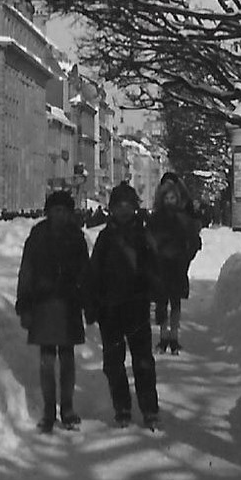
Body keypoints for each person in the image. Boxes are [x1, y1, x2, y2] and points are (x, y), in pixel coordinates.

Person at [86, 181, 161, 430]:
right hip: (110, 310)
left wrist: (159, 300)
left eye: (128, 205)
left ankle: (149, 408)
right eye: (119, 206)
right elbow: (94, 273)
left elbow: (155, 271)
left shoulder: (144, 236)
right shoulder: (105, 238)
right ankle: (122, 407)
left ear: (135, 208)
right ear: (112, 209)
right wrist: (92, 304)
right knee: (113, 363)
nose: (124, 210)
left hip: (137, 307)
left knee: (143, 361)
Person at [15, 190, 89, 433]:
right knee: (47, 360)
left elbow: (85, 271)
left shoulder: (76, 237)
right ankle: (49, 410)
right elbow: (26, 271)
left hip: (68, 304)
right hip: (44, 303)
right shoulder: (37, 235)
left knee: (67, 359)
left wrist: (88, 301)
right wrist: (24, 304)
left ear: (69, 213)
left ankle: (66, 408)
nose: (60, 215)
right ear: (49, 211)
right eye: (55, 210)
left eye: (64, 210)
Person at [148, 173, 203, 355]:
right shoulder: (156, 218)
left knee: (175, 302)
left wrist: (186, 257)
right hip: (161, 265)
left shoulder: (182, 218)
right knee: (162, 303)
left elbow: (193, 240)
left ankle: (174, 336)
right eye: (167, 197)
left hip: (177, 265)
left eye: (172, 197)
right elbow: (148, 239)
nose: (169, 201)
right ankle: (164, 336)